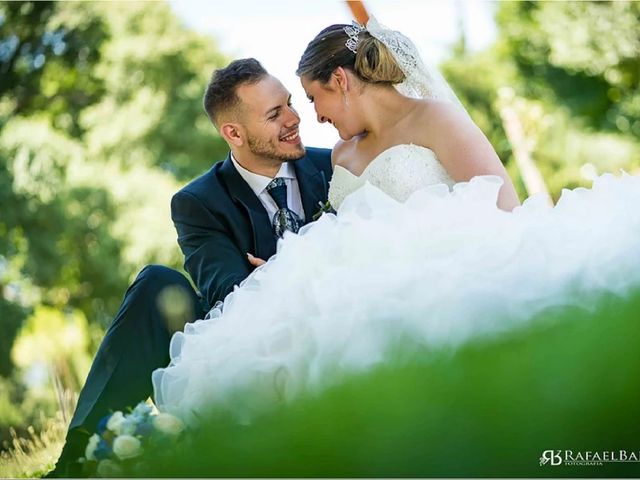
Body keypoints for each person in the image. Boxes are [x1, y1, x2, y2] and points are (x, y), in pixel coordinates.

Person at [151, 17, 640, 425]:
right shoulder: (340, 155)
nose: (312, 117)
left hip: (448, 270)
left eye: (309, 98)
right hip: (366, 287)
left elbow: (503, 205)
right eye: (285, 108)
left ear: (340, 81)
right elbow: (340, 233)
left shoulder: (436, 120)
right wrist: (284, 270)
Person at [46, 58, 332, 477]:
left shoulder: (334, 166)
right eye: (275, 114)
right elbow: (226, 290)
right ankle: (80, 457)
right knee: (155, 282)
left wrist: (280, 269)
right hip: (241, 332)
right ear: (233, 133)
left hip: (334, 311)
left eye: (289, 103)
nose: (294, 118)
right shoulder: (199, 201)